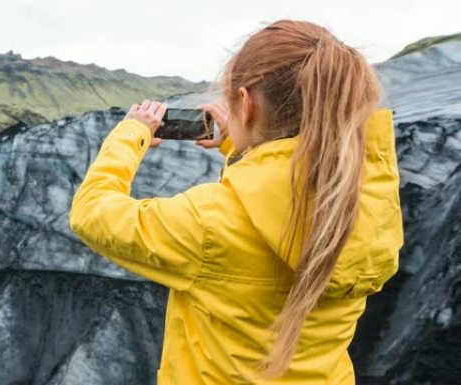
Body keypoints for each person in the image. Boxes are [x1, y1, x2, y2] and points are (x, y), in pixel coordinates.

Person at [68, 19, 403, 384]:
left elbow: (92, 212)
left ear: (246, 104)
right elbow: (286, 195)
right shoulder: (367, 200)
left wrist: (129, 136)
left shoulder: (210, 222)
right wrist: (241, 144)